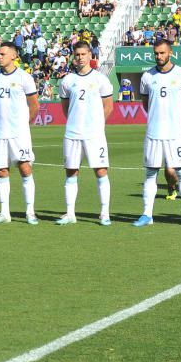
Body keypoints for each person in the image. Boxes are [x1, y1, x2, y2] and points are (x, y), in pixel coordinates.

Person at [135, 39, 181, 227]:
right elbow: (145, 103)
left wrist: (179, 120)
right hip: (153, 133)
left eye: (162, 53)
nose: (159, 56)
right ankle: (147, 215)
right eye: (156, 53)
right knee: (150, 173)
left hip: (176, 133)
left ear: (170, 53)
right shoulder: (147, 76)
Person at [57, 41, 114, 225]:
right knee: (71, 172)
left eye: (83, 54)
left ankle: (104, 213)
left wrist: (96, 125)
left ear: (91, 55)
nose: (80, 57)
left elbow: (109, 107)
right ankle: (70, 213)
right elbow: (66, 109)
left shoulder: (100, 79)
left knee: (101, 171)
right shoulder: (67, 81)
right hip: (73, 133)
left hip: (94, 134)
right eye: (77, 54)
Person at [0, 42, 39, 225]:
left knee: (25, 168)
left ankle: (30, 211)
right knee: (1, 171)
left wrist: (24, 125)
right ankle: (4, 212)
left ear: (14, 56)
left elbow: (34, 105)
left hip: (19, 133)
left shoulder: (25, 78)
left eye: (3, 54)